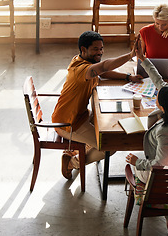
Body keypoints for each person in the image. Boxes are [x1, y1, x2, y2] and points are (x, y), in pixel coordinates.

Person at [52, 31, 143, 179]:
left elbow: (102, 72)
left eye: (101, 49)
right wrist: (130, 55)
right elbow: (104, 67)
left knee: (107, 126)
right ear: (83, 49)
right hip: (68, 123)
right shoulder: (80, 70)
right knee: (109, 146)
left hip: (81, 115)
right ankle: (72, 163)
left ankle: (79, 152)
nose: (100, 52)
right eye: (95, 49)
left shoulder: (83, 61)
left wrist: (128, 77)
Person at [126, 36, 168, 231]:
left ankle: (158, 205)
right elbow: (158, 79)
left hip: (164, 176)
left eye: (157, 98)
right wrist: (142, 58)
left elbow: (159, 165)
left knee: (134, 167)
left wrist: (137, 162)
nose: (156, 96)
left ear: (161, 105)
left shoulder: (164, 132)